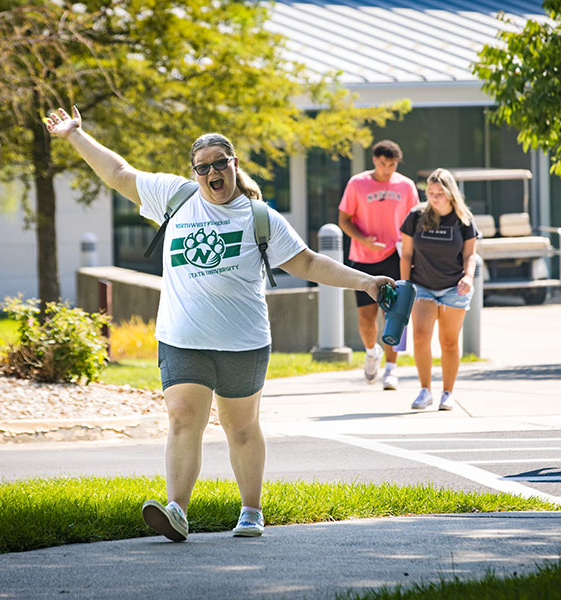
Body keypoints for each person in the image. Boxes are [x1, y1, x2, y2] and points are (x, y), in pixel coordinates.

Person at [45, 106, 394, 541]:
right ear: (194, 173)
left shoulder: (259, 217)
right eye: (202, 167)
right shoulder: (175, 197)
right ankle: (177, 510)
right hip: (182, 337)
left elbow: (307, 262)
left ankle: (251, 511)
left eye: (219, 164)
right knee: (182, 417)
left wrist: (369, 282)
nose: (212, 172)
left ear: (234, 165)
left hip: (242, 341)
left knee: (242, 427)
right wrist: (76, 135)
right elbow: (119, 173)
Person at [339, 140, 419, 391]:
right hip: (363, 257)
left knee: (394, 316)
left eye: (392, 165)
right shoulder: (357, 183)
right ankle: (372, 352)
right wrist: (363, 239)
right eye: (383, 164)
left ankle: (391, 370)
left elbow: (415, 222)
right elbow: (343, 219)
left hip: (396, 257)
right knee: (366, 317)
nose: (387, 169)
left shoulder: (406, 186)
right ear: (375, 160)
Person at [399, 168, 478, 411]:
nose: (434, 197)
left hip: (454, 288)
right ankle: (425, 390)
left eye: (440, 193)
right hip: (422, 285)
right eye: (431, 192)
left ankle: (448, 393)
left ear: (451, 194)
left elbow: (470, 255)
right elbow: (407, 254)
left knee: (449, 341)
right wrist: (405, 287)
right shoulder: (416, 216)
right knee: (421, 336)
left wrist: (468, 276)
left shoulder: (463, 220)